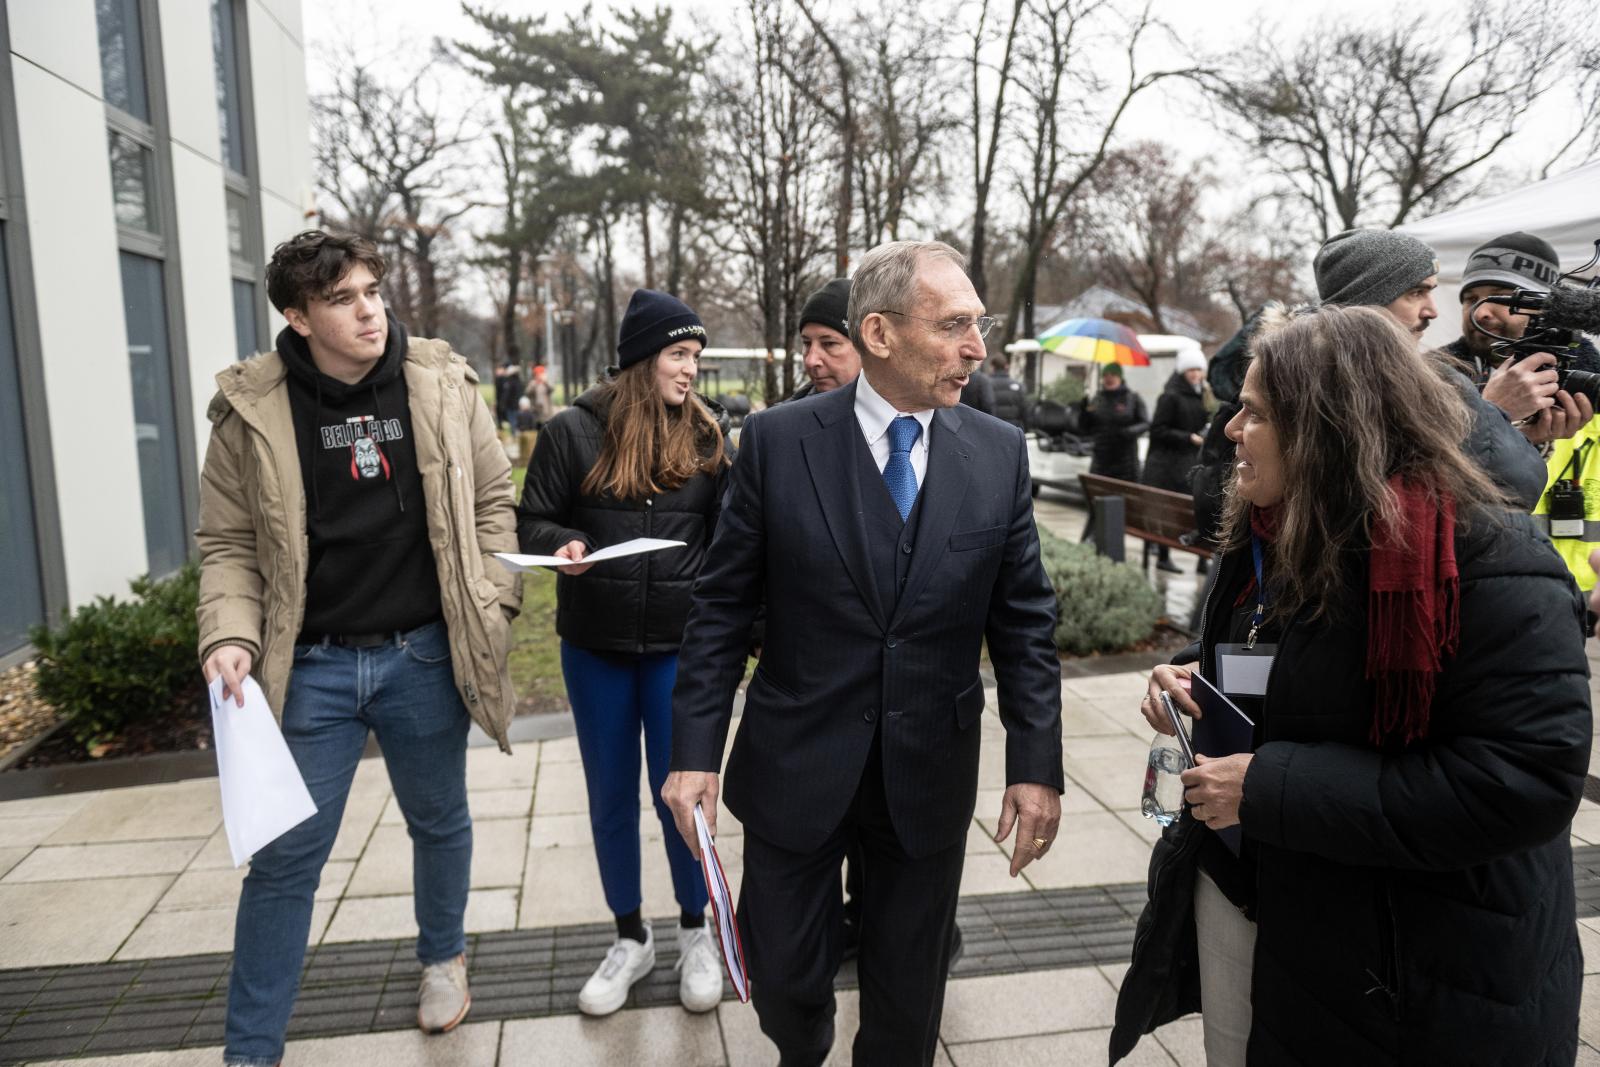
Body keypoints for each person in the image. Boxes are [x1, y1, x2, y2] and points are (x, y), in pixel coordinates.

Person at [1110, 304, 1589, 1066]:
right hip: (1284, 910)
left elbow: (1521, 780)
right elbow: (1303, 672)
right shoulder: (1279, 530)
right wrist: (1202, 684)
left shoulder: (1488, 560)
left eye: (1257, 412)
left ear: (1329, 426)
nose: (1231, 429)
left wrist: (1271, 787)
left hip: (1424, 973)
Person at [662, 240, 1065, 1065]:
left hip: (928, 770)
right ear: (879, 333)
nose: (976, 348)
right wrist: (694, 750)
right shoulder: (778, 441)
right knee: (782, 976)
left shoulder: (995, 452)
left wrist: (1037, 763)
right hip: (796, 761)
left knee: (909, 993)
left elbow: (1024, 620)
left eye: (977, 327)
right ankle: (800, 1046)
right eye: (954, 325)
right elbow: (721, 606)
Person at [196, 230, 522, 1067]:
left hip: (423, 655)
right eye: (342, 298)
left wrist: (494, 597)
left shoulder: (440, 382)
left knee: (439, 818)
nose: (369, 309)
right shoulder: (251, 408)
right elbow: (228, 543)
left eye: (372, 290)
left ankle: (443, 958)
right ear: (300, 316)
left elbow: (492, 499)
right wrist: (229, 632)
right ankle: (250, 1051)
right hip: (313, 665)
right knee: (283, 861)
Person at [515, 289, 730, 1018]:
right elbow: (534, 517)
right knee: (609, 796)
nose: (691, 370)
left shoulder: (707, 436)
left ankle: (695, 930)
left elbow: (731, 540)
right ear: (642, 361)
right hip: (596, 649)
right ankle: (630, 937)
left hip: (681, 653)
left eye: (696, 356)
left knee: (686, 800)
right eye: (679, 354)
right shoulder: (572, 432)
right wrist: (560, 546)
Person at [1312, 228, 1547, 509]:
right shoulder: (1315, 387)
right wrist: (1493, 413)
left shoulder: (1400, 384)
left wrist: (1520, 436)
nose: (1432, 311)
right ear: (1368, 303)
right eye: (1416, 293)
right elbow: (1403, 501)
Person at [1444, 231, 1596, 443]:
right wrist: (1498, 414)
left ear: (1546, 308)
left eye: (1505, 297)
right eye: (1471, 299)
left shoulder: (1591, 385)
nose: (1480, 313)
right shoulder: (1426, 378)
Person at [1142, 349, 1210, 573]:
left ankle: (1202, 559)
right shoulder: (1170, 396)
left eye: (1199, 369)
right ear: (1182, 371)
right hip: (1167, 466)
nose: (1196, 374)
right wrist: (1188, 437)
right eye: (1191, 369)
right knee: (1169, 511)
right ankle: (1163, 556)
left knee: (1195, 509)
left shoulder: (1201, 395)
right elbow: (1158, 430)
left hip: (1187, 463)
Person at [791, 277, 862, 401]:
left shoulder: (902, 415)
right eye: (807, 343)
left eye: (829, 344)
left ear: (867, 346)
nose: (811, 361)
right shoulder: (784, 419)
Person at [1079, 364, 1149, 482]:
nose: (1109, 379)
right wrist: (1083, 412)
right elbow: (1085, 428)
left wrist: (1129, 432)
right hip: (1101, 460)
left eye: (1113, 375)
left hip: (1126, 462)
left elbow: (1146, 423)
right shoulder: (1097, 399)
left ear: (1120, 378)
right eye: (1106, 376)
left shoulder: (1132, 398)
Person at [987, 352, 1030, 430]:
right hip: (1014, 428)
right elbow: (1024, 409)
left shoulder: (986, 384)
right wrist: (1026, 428)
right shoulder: (1018, 385)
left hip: (994, 427)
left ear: (992, 367)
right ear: (1006, 366)